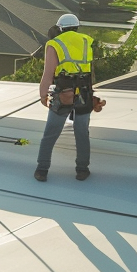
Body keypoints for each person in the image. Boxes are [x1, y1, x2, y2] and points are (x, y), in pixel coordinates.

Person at [35, 13, 94, 182]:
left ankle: (42, 170)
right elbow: (89, 71)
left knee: (51, 133)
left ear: (59, 28)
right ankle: (82, 170)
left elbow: (48, 73)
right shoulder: (86, 41)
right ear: (77, 27)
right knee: (82, 133)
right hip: (84, 93)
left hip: (64, 93)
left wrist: (43, 94)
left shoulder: (54, 44)